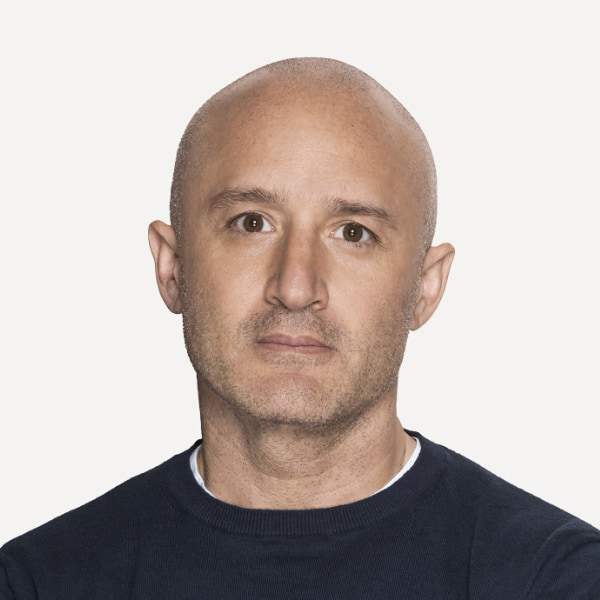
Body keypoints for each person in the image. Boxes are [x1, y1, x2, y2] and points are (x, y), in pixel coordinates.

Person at [1, 57, 598, 599]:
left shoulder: (555, 580)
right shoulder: (38, 582)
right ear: (172, 267)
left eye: (354, 232)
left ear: (426, 286)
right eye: (251, 222)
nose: (295, 286)